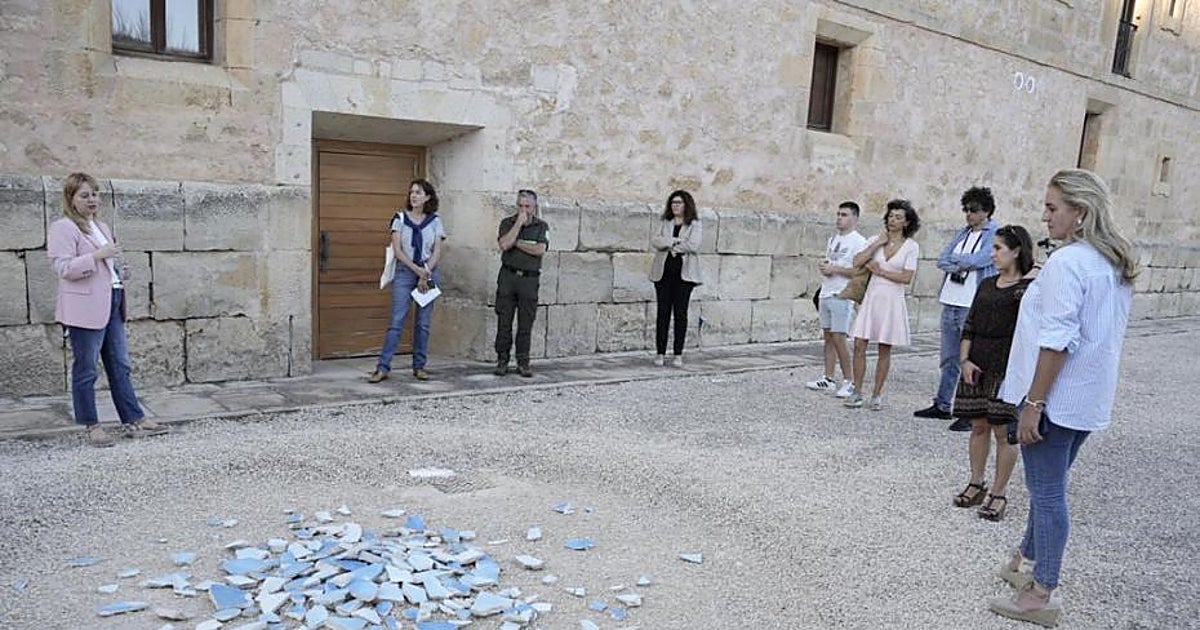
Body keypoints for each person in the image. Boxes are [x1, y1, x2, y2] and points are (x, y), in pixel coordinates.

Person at [987, 169, 1138, 627]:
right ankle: (1026, 558)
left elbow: (1056, 341)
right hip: (1086, 399)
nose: (1045, 216)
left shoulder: (1068, 263)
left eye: (1053, 208)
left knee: (1048, 494)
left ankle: (1042, 590)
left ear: (1081, 212)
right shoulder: (1112, 262)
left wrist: (1034, 403)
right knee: (1047, 485)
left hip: (1056, 399)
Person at [47, 172, 169, 447]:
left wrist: (119, 269)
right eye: (85, 195)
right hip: (84, 307)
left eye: (95, 194)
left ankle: (133, 419)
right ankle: (92, 426)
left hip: (113, 301)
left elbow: (107, 265)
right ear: (71, 199)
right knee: (87, 368)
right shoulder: (63, 228)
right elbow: (63, 268)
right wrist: (96, 256)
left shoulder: (100, 225)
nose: (92, 200)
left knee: (120, 365)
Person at [950, 225, 1035, 522]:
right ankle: (976, 482)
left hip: (1007, 366)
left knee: (1003, 431)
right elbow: (970, 323)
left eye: (999, 248)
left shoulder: (1028, 289)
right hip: (977, 363)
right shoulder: (986, 284)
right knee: (978, 426)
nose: (993, 253)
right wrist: (964, 359)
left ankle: (998, 492)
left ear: (1016, 251)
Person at [914, 187, 1001, 427]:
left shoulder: (994, 233)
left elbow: (982, 259)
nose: (969, 215)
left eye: (974, 210)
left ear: (986, 211)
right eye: (966, 210)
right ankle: (943, 403)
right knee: (949, 357)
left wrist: (958, 262)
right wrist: (960, 264)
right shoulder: (962, 233)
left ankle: (969, 411)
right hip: (951, 300)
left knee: (971, 358)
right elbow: (942, 259)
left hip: (972, 303)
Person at [843, 200, 921, 411]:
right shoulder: (874, 239)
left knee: (884, 347)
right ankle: (857, 391)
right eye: (890, 216)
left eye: (898, 217)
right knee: (859, 344)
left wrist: (882, 272)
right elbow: (857, 261)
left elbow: (906, 277)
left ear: (906, 222)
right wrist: (878, 244)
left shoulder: (911, 247)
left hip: (891, 298)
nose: (892, 220)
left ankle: (877, 394)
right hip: (872, 296)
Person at [369, 179, 446, 383]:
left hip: (428, 273)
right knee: (396, 321)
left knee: (423, 323)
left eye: (418, 192)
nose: (413, 195)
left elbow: (437, 250)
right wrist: (418, 270)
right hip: (406, 272)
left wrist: (426, 272)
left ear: (428, 197)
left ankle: (419, 366)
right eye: (412, 192)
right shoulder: (400, 218)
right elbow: (398, 250)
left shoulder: (435, 221)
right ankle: (383, 367)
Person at [806, 201, 868, 397]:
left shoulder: (859, 242)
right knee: (828, 337)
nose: (839, 218)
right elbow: (833, 261)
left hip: (842, 293)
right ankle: (828, 377)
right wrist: (826, 266)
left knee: (840, 338)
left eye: (844, 215)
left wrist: (836, 269)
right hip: (827, 291)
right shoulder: (833, 239)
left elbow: (860, 272)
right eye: (838, 214)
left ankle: (850, 380)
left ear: (855, 218)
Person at [493, 189, 549, 377]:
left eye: (528, 206)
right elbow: (503, 244)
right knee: (504, 321)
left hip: (529, 279)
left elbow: (539, 249)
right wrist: (517, 225)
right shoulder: (507, 223)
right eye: (520, 206)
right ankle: (502, 360)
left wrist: (516, 243)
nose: (524, 210)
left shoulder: (541, 226)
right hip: (508, 277)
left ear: (535, 207)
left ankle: (523, 362)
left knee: (526, 322)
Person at [649, 190, 703, 367]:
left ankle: (678, 353)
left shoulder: (695, 224)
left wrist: (671, 246)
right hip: (663, 274)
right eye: (672, 202)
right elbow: (655, 241)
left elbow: (694, 245)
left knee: (680, 314)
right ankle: (660, 353)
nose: (675, 205)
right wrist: (674, 241)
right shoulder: (665, 222)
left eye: (678, 202)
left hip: (684, 276)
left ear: (686, 204)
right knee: (662, 313)